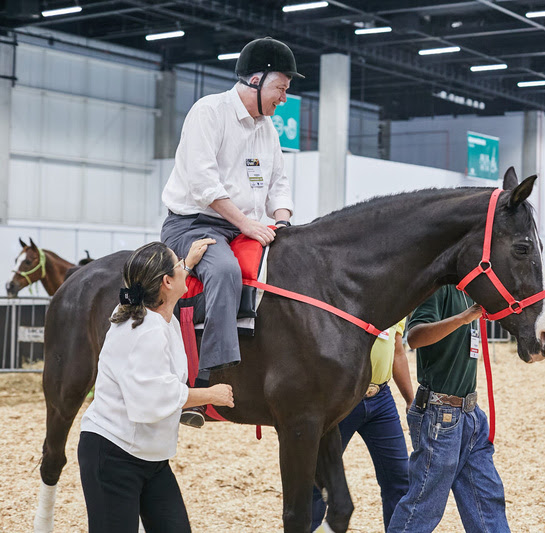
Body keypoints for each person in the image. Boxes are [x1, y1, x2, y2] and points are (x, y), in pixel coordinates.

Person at [160, 37, 301, 427]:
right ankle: (202, 385)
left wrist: (283, 221)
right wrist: (246, 224)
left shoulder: (267, 129)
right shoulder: (208, 112)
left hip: (247, 225)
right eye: (281, 89)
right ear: (256, 80)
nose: (284, 98)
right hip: (193, 223)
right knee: (224, 270)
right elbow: (204, 183)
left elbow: (279, 183)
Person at [77, 240, 235, 533]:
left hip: (151, 458)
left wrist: (186, 264)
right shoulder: (146, 330)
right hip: (113, 455)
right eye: (179, 266)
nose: (184, 269)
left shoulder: (151, 314)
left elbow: (165, 285)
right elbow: (152, 400)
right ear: (166, 281)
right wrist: (211, 394)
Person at [387, 286, 508, 533]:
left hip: (471, 415)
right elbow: (415, 336)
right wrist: (463, 318)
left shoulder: (474, 294)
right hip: (440, 415)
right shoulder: (439, 289)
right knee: (424, 505)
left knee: (487, 498)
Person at [311, 320, 415, 532]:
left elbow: (397, 351)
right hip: (343, 397)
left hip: (381, 399)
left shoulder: (397, 300)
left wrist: (410, 399)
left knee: (399, 478)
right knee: (318, 480)